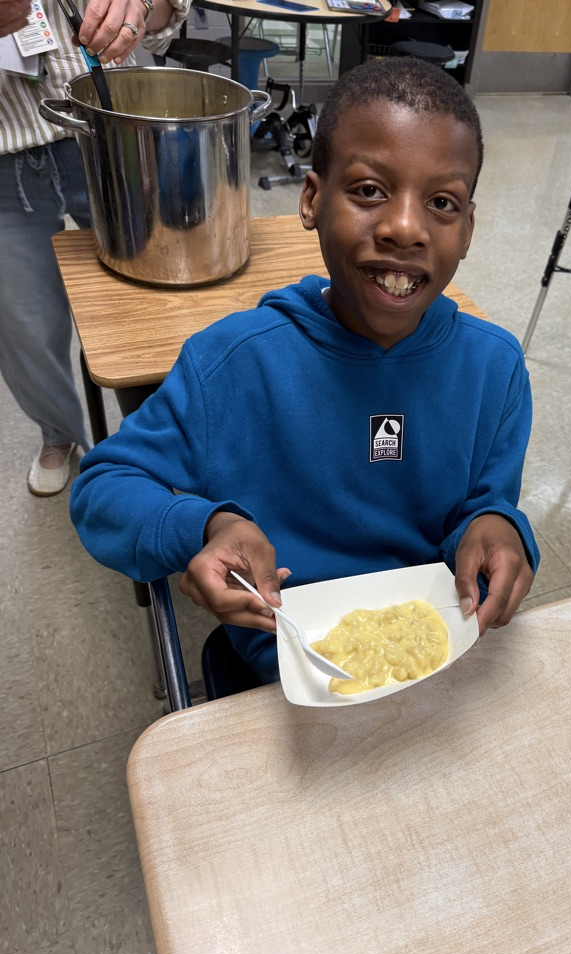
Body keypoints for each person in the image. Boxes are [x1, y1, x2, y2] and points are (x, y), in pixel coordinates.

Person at [70, 56, 540, 684]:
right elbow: (102, 488)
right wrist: (207, 524)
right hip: (275, 662)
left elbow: (484, 504)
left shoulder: (495, 369)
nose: (405, 227)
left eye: (441, 202)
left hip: (434, 662)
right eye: (370, 190)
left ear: (469, 228)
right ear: (313, 200)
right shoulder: (231, 365)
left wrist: (497, 525)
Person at [0, 0, 189, 495]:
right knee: (25, 329)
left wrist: (147, 6)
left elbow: (166, 10)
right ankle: (58, 433)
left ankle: (171, 440)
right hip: (4, 154)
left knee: (156, 300)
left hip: (116, 121)